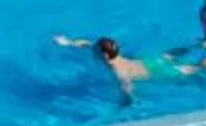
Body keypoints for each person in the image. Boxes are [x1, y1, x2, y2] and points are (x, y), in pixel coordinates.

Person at [55, 35, 196, 106]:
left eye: (96, 50)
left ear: (104, 56)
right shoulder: (110, 57)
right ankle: (196, 46)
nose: (93, 51)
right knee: (169, 55)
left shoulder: (119, 72)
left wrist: (126, 103)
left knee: (193, 70)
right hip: (148, 61)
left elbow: (127, 88)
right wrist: (68, 42)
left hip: (155, 71)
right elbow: (86, 44)